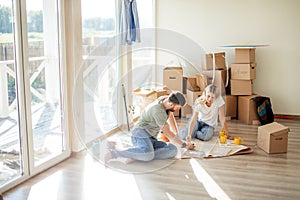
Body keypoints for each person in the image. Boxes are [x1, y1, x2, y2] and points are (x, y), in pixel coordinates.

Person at [105, 91, 195, 163]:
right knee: (148, 155)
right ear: (172, 105)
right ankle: (115, 153)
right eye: (178, 108)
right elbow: (167, 133)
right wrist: (183, 144)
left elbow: (171, 119)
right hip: (140, 133)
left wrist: (179, 138)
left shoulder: (165, 100)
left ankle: (138, 155)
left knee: (173, 150)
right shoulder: (158, 110)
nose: (178, 110)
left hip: (151, 138)